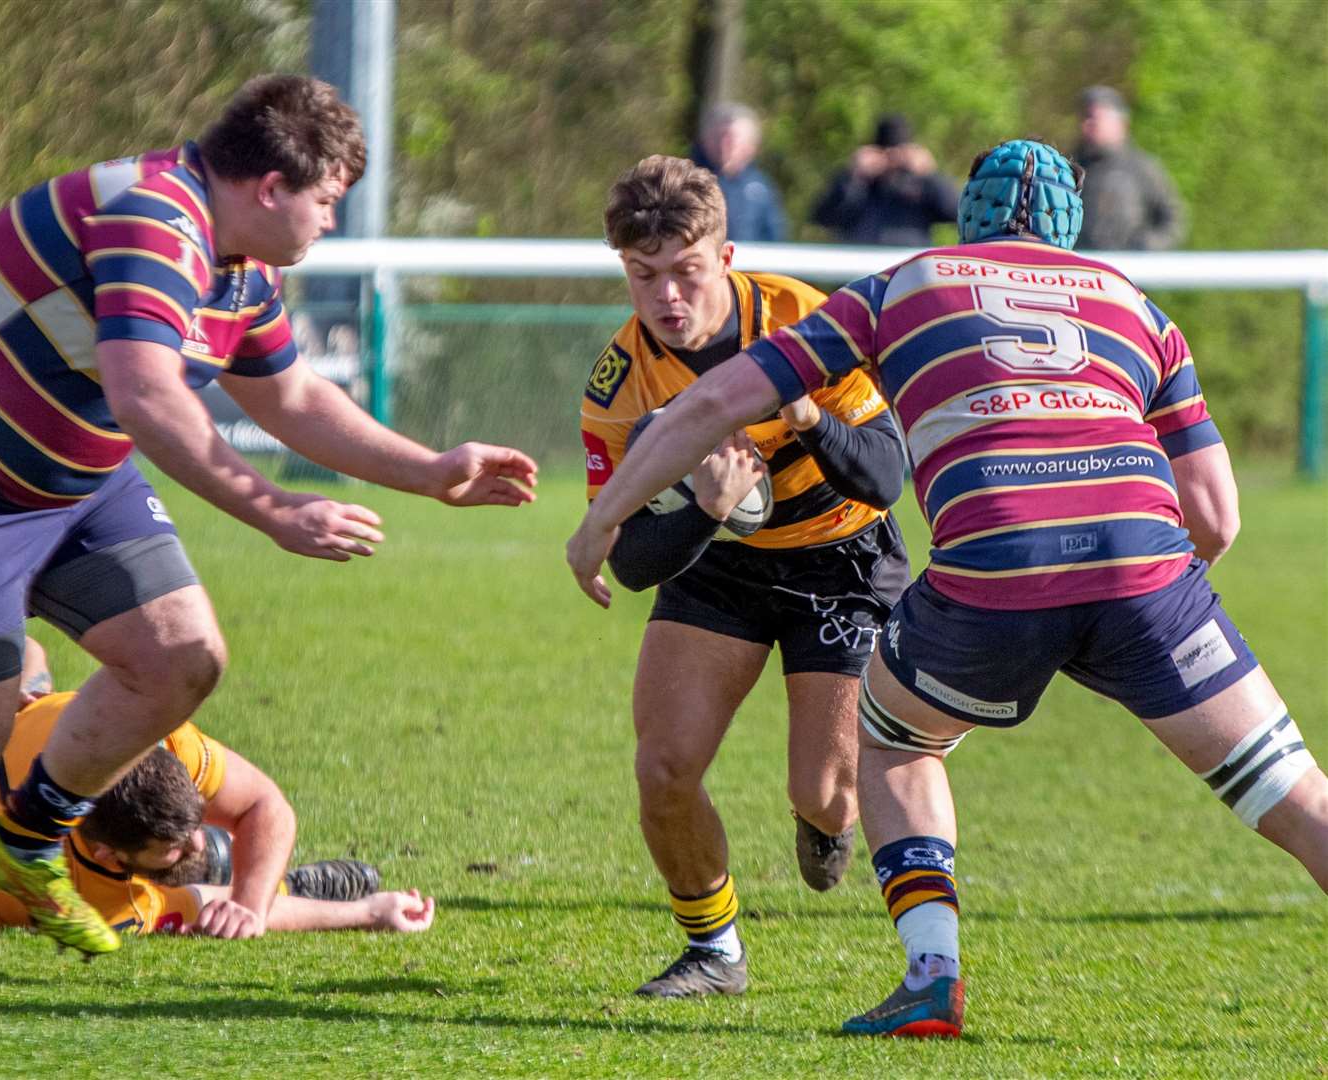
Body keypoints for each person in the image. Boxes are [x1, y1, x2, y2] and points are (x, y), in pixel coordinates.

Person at [567, 139, 1327, 1036]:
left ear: (965, 216)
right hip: (1146, 572)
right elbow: (1217, 517)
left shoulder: (900, 287)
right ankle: (715, 945)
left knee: (890, 746)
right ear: (1073, 228)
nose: (666, 294)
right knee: (1292, 790)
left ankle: (933, 974)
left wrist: (597, 524)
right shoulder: (1137, 306)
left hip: (968, 567)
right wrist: (1143, 606)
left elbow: (726, 417)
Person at [0, 74, 535, 958]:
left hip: (77, 482)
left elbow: (289, 394)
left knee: (182, 658)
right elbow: (144, 394)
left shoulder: (237, 262)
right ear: (271, 188)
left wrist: (430, 471)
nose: (332, 222)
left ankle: (21, 843)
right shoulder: (152, 220)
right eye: (326, 201)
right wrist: (273, 507)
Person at [583, 154, 908, 998]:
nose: (667, 299)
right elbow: (633, 557)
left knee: (828, 791)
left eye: (686, 272)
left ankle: (825, 823)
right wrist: (706, 512)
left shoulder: (807, 320)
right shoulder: (620, 386)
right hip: (719, 566)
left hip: (843, 560)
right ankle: (714, 951)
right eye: (643, 276)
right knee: (663, 767)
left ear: (726, 257)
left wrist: (801, 410)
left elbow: (883, 477)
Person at [0, 639, 436, 939]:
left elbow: (265, 803)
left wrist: (248, 907)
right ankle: (290, 883)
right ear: (106, 852)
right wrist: (367, 912)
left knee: (22, 661)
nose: (190, 839)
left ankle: (250, 872)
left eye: (196, 825)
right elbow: (203, 904)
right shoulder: (96, 901)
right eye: (176, 844)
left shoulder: (152, 734)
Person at [810, 114, 960, 247]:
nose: (892, 159)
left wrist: (929, 175)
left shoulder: (920, 184)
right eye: (886, 152)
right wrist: (853, 177)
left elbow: (957, 214)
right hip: (859, 265)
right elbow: (823, 218)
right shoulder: (859, 183)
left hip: (908, 267)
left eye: (899, 153)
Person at [1074, 85, 1184, 251]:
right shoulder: (1073, 166)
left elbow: (1173, 218)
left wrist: (1148, 245)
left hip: (1129, 271)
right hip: (1084, 269)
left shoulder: (1142, 168)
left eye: (1094, 118)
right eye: (1084, 118)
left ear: (1119, 123)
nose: (1086, 125)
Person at [689, 103, 787, 243]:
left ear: (751, 146)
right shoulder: (685, 182)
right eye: (718, 137)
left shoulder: (761, 189)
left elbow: (775, 239)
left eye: (732, 140)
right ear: (705, 141)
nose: (724, 146)